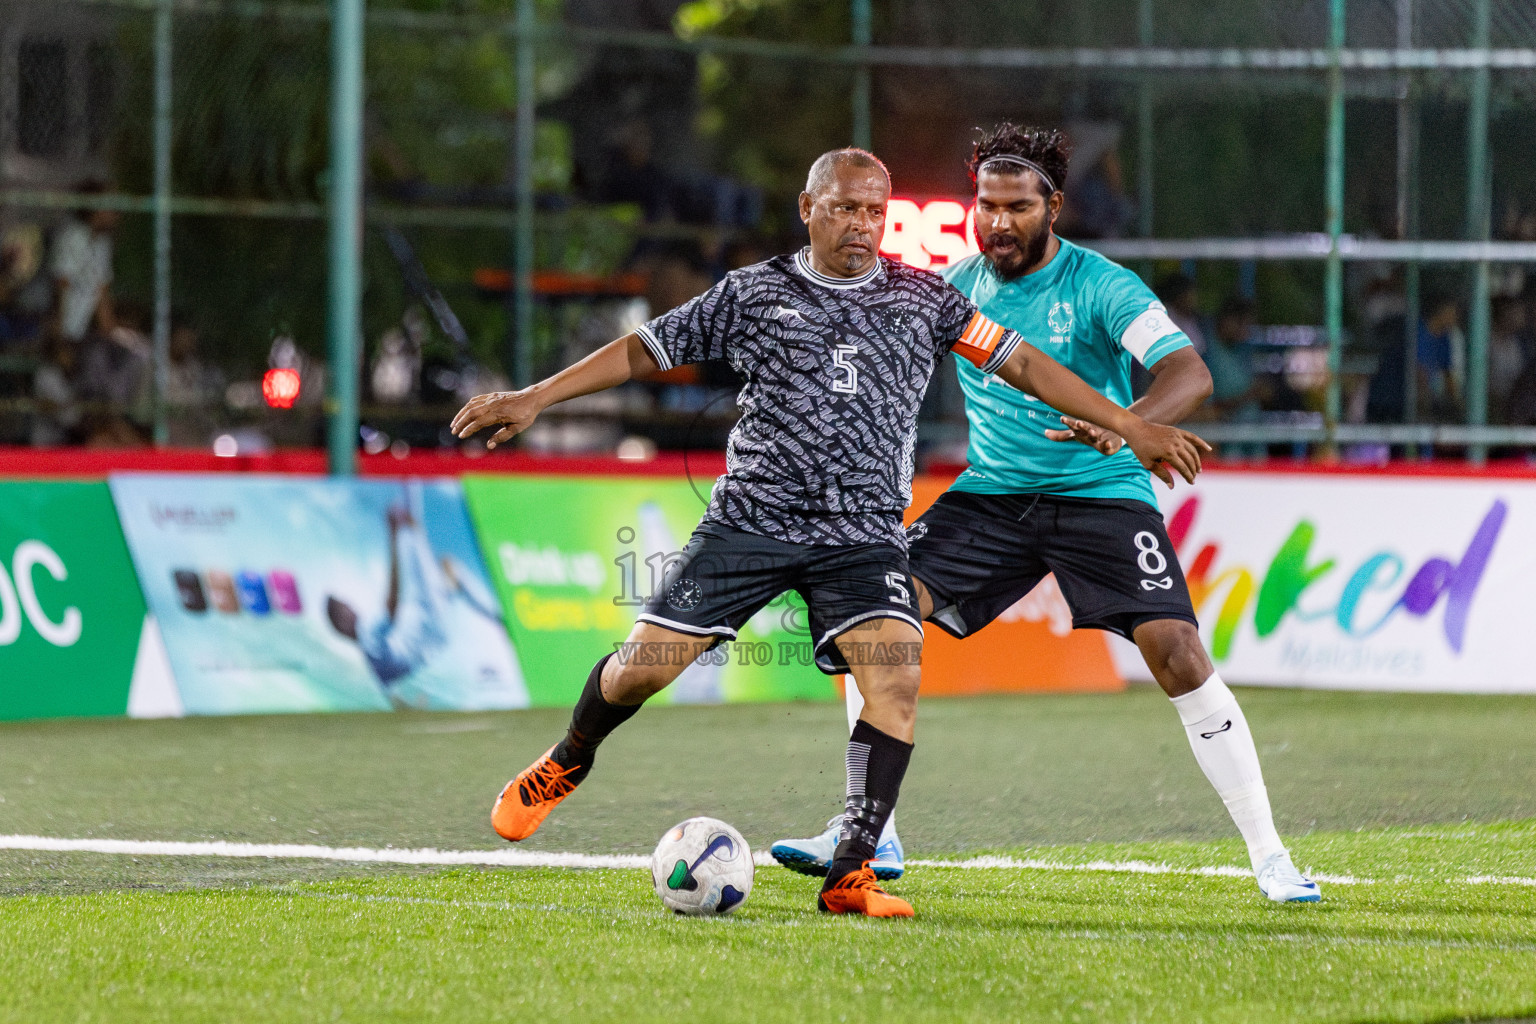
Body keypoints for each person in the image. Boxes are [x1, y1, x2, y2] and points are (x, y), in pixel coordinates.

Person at [452, 147, 1209, 918]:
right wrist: (537, 396)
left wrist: (1125, 423)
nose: (863, 224)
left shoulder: (927, 300)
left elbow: (1026, 367)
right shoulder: (753, 293)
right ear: (808, 209)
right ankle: (568, 759)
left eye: (876, 210)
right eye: (846, 207)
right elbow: (643, 350)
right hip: (752, 519)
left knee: (896, 675)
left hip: (863, 535)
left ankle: (852, 873)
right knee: (642, 670)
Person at [771, 124, 1320, 905]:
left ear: (1053, 206)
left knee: (1178, 655)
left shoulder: (1103, 287)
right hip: (993, 496)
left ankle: (1271, 857)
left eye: (1017, 207)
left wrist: (1128, 420)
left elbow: (1186, 371)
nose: (997, 221)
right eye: (986, 206)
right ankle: (872, 831)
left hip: (1099, 495)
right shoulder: (953, 285)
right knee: (875, 611)